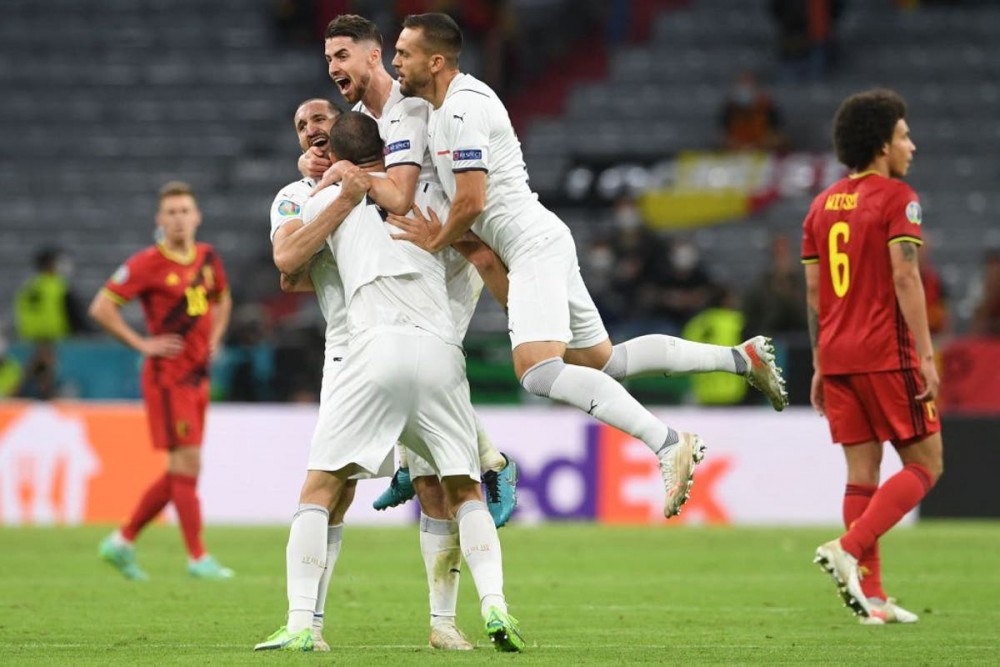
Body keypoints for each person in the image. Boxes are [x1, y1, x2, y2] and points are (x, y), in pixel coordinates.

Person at [388, 12, 788, 519]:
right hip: (537, 243)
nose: (395, 61)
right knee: (604, 363)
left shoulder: (464, 107)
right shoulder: (444, 109)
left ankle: (668, 442)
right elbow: (477, 223)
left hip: (533, 245)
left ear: (435, 61)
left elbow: (471, 200)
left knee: (537, 372)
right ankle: (740, 359)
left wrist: (435, 238)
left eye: (403, 52)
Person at [255, 111, 523, 652]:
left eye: (320, 120)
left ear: (338, 148)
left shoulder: (323, 199)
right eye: (303, 124)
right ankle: (494, 602)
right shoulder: (419, 192)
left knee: (326, 487)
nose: (312, 129)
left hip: (370, 350)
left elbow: (287, 268)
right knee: (459, 486)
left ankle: (304, 622)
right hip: (434, 348)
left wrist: (342, 192)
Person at [303, 14, 518, 534]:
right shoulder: (358, 119)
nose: (332, 67)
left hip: (447, 250)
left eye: (342, 56)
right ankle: (410, 454)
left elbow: (412, 188)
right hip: (405, 255)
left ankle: (492, 464)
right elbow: (356, 175)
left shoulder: (418, 103)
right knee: (402, 361)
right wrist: (317, 168)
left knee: (428, 366)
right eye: (328, 58)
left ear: (373, 55)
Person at [802, 89, 943, 624]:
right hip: (887, 353)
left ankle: (874, 598)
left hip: (838, 357)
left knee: (862, 474)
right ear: (883, 144)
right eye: (904, 135)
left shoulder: (820, 205)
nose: (912, 145)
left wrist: (820, 362)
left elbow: (814, 293)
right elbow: (905, 275)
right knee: (927, 463)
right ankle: (849, 548)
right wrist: (926, 356)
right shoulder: (897, 197)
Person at [89, 181, 234, 581]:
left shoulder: (208, 258)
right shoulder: (147, 263)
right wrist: (142, 343)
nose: (179, 219)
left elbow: (223, 298)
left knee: (183, 470)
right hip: (168, 379)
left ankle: (122, 542)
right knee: (187, 465)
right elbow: (101, 307)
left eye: (185, 211)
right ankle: (197, 557)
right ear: (160, 220)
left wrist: (216, 338)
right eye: (171, 212)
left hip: (198, 376)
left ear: (197, 216)